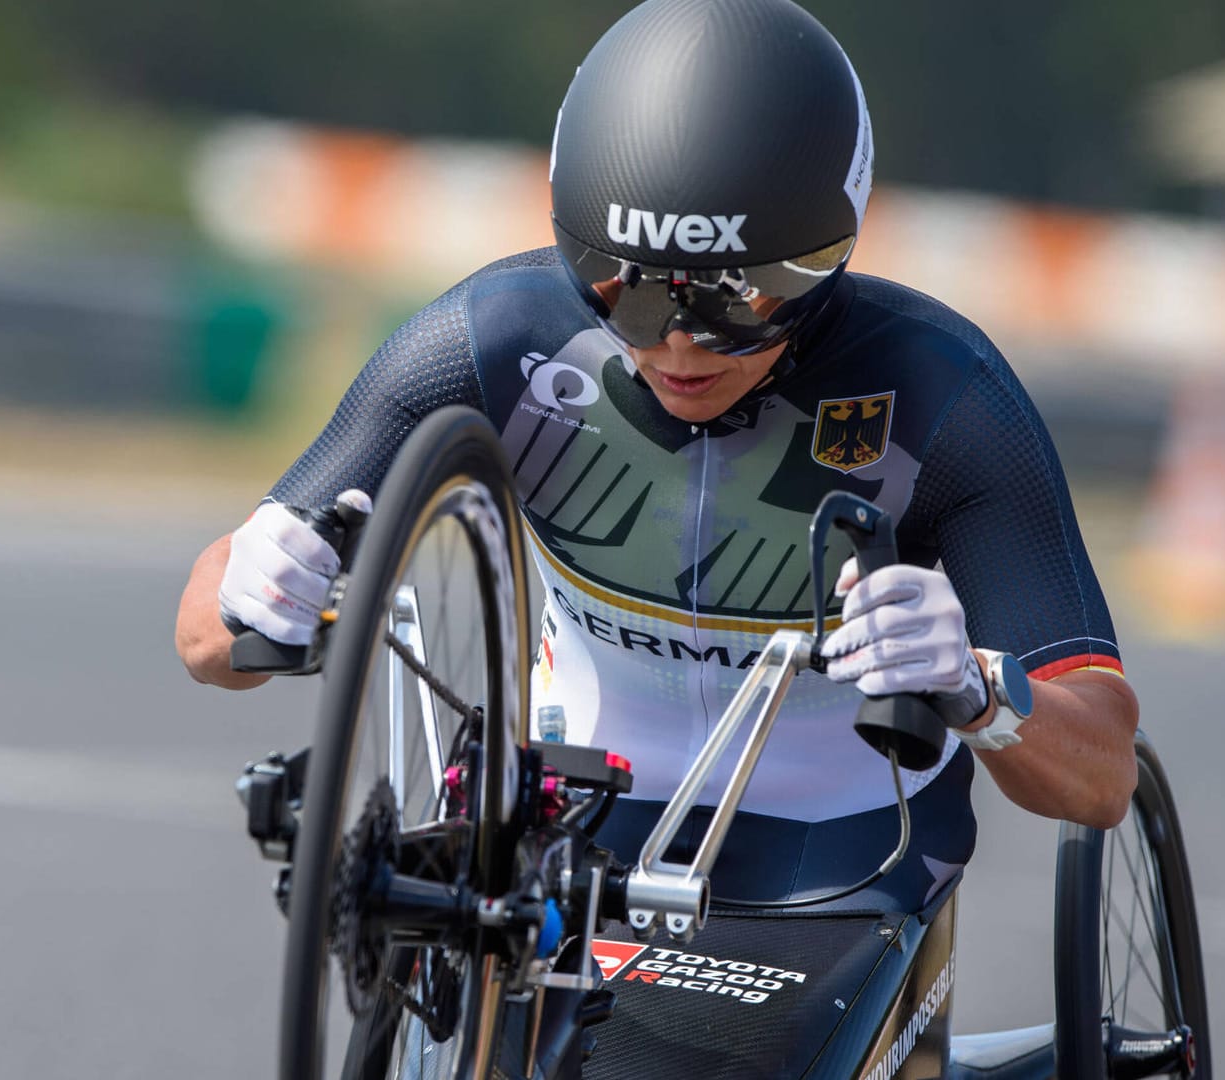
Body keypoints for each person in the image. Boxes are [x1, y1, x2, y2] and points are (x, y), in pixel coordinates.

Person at [176, 0, 1136, 913]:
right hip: (569, 820)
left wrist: (974, 689)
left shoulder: (948, 393)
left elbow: (1101, 777)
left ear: (828, 254)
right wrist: (255, 586)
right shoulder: (489, 337)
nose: (677, 345)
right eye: (628, 291)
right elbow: (209, 645)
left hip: (840, 846)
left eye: (735, 301)